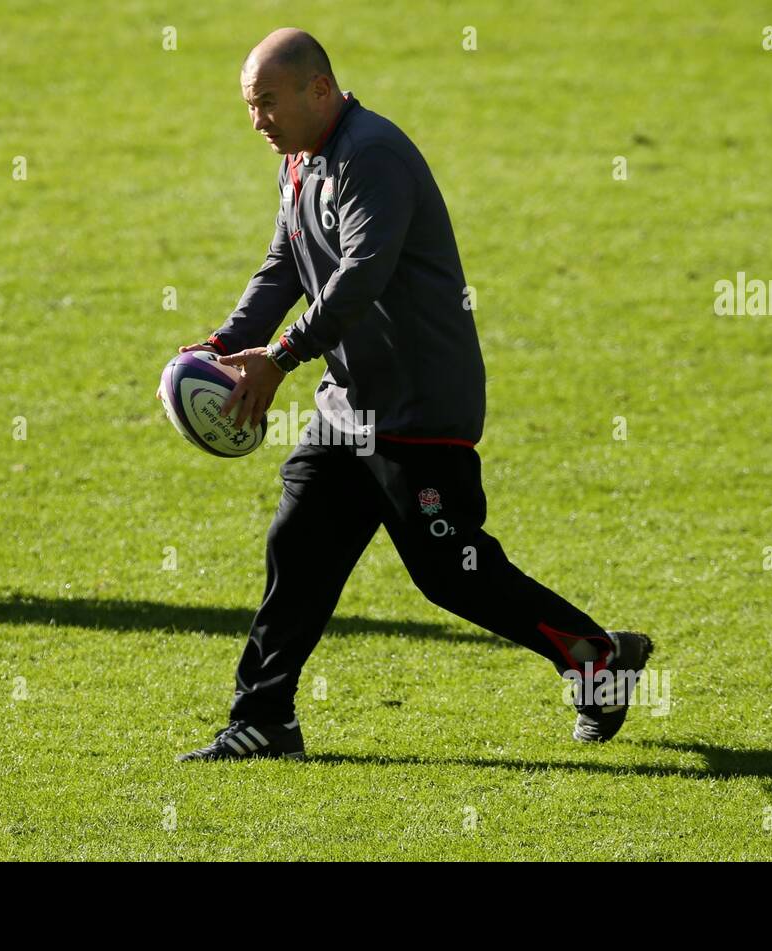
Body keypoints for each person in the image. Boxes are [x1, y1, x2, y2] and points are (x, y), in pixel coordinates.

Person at [172, 28, 653, 762]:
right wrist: (220, 343)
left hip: (420, 408)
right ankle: (264, 718)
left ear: (320, 90)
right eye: (249, 106)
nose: (257, 119)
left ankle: (596, 658)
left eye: (268, 101)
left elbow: (361, 272)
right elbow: (285, 267)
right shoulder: (301, 165)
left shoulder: (374, 156)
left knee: (454, 571)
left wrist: (279, 357)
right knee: (296, 546)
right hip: (348, 406)